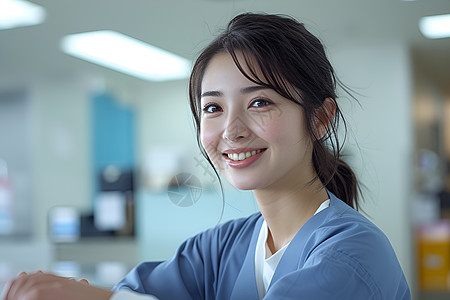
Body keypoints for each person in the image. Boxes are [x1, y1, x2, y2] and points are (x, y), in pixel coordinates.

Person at [1, 12, 411, 300]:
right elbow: (131, 290)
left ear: (319, 118)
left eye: (260, 102)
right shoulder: (221, 248)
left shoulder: (354, 255)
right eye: (213, 108)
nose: (231, 130)